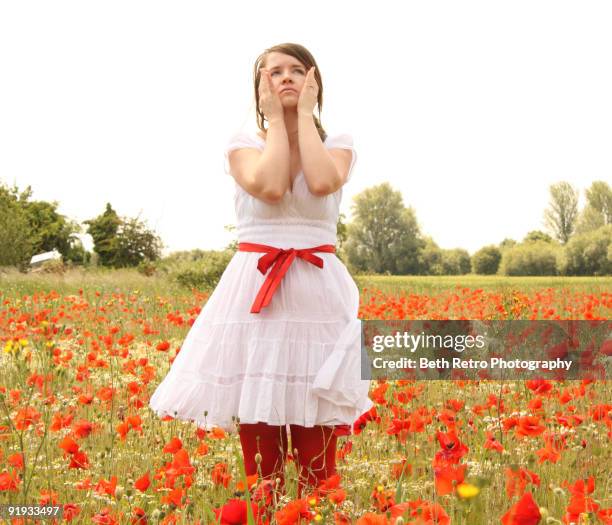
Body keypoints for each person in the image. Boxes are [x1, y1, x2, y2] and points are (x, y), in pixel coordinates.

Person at [148, 42, 373, 500]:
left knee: (318, 444)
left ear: (315, 84)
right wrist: (275, 122)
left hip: (317, 296)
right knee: (261, 453)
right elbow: (270, 186)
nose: (286, 78)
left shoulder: (338, 143)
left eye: (297, 71)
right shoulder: (244, 144)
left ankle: (314, 509)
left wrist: (303, 118)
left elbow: (323, 181)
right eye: (274, 73)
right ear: (258, 89)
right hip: (255, 295)